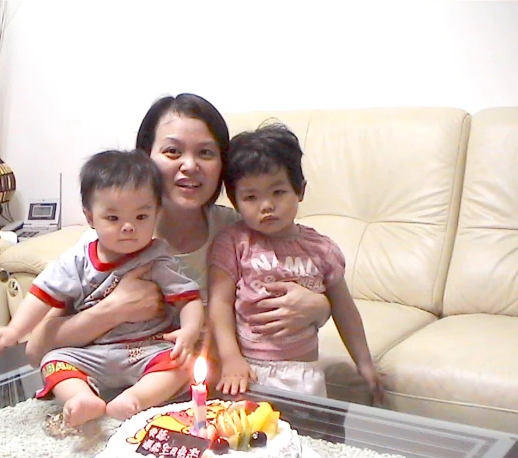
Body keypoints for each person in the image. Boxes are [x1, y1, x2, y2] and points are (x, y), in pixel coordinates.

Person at [25, 93, 333, 390]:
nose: (190, 165)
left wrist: (320, 306)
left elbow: (312, 269)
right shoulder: (107, 242)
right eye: (173, 151)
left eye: (206, 153)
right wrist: (113, 310)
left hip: (210, 393)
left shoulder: (239, 232)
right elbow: (36, 350)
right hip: (112, 392)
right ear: (145, 157)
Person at [0, 149, 204, 426]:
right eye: (113, 219)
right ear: (90, 218)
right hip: (91, 352)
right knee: (53, 361)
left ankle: (135, 399)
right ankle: (81, 399)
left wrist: (189, 331)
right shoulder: (76, 260)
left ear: (156, 213)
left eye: (141, 217)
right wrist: (15, 330)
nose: (128, 227)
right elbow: (41, 294)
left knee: (183, 362)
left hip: (145, 348)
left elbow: (190, 299)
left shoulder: (157, 257)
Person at [208, 123, 382, 401]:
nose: (266, 205)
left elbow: (344, 309)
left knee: (305, 441)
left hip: (304, 371)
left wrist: (364, 362)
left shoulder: (321, 249)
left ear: (299, 191)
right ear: (235, 201)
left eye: (278, 192)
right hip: (248, 370)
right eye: (251, 197)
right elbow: (219, 303)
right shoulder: (234, 242)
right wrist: (230, 358)